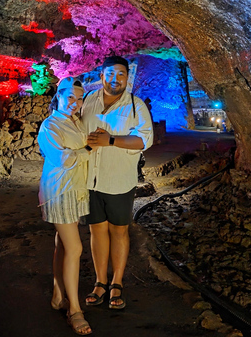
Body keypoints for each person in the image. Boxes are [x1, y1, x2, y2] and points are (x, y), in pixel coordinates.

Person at [82, 56, 153, 310]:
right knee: (96, 230)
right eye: (111, 73)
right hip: (89, 179)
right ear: (101, 76)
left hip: (119, 181)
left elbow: (144, 140)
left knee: (119, 231)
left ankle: (117, 282)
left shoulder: (135, 106)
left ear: (127, 78)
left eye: (121, 74)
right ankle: (100, 281)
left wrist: (111, 140)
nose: (116, 79)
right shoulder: (87, 100)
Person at [38, 77, 93, 335]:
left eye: (80, 98)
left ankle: (58, 294)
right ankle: (75, 310)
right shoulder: (50, 126)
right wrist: (89, 149)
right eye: (70, 97)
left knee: (62, 244)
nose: (75, 103)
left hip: (76, 190)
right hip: (60, 191)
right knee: (75, 248)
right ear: (58, 96)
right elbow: (63, 159)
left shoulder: (75, 122)